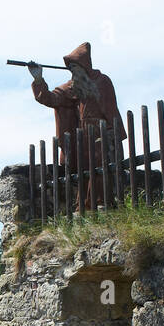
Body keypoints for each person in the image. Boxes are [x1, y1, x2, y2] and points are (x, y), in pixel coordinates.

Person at [29, 42, 124, 212]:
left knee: (101, 168)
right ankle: (85, 206)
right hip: (81, 136)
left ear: (84, 66)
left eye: (75, 67)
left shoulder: (102, 81)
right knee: (83, 170)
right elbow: (51, 98)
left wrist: (111, 132)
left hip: (101, 132)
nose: (73, 71)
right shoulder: (73, 87)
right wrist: (38, 79)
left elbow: (111, 108)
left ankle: (102, 203)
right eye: (70, 68)